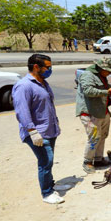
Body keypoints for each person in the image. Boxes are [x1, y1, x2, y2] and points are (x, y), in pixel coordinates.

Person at [12, 54, 71, 204]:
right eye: (47, 67)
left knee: (48, 161)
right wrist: (32, 132)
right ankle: (46, 193)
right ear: (36, 67)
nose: (49, 70)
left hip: (49, 130)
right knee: (45, 161)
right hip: (37, 133)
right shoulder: (24, 86)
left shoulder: (43, 83)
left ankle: (51, 185)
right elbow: (22, 111)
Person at [76, 58, 111, 174]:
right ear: (101, 68)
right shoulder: (88, 75)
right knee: (94, 138)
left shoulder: (101, 76)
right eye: (108, 71)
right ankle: (87, 161)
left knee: (102, 135)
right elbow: (88, 91)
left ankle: (98, 159)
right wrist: (106, 92)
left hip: (101, 111)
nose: (109, 73)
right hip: (90, 113)